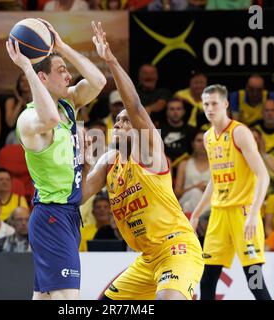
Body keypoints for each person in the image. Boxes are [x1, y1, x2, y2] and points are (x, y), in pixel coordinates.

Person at [83, 22, 204, 300]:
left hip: (176, 248)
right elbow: (77, 197)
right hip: (147, 259)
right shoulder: (109, 163)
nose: (123, 121)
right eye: (118, 120)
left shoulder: (149, 150)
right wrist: (86, 162)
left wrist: (111, 61)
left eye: (128, 120)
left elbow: (135, 106)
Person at [6, 18, 106, 300]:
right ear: (42, 79)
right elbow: (48, 118)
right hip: (52, 216)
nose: (69, 76)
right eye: (62, 71)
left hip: (67, 216)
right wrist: (27, 66)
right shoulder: (28, 119)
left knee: (46, 298)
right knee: (68, 302)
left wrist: (61, 46)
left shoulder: (68, 104)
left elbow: (98, 81)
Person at [190, 84, 272, 300]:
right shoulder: (208, 137)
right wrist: (197, 213)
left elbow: (264, 175)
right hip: (219, 215)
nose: (209, 108)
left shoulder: (240, 132)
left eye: (214, 103)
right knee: (207, 280)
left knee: (254, 280)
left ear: (225, 104)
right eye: (206, 104)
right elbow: (214, 180)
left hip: (244, 213)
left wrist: (254, 214)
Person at [174, 130, 210, 213]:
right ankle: (201, 220)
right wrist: (195, 187)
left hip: (209, 200)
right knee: (195, 193)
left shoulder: (216, 164)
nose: (202, 144)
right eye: (198, 140)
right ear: (193, 144)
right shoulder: (184, 164)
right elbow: (177, 194)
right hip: (187, 199)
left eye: (205, 140)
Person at [160, 98, 196, 169]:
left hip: (187, 168)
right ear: (167, 112)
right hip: (165, 167)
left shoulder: (191, 130)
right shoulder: (159, 130)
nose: (175, 112)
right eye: (172, 109)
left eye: (178, 109)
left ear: (183, 111)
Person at [250, 127, 274, 195]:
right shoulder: (237, 157)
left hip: (266, 198)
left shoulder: (266, 158)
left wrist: (264, 154)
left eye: (255, 139)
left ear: (261, 141)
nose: (252, 141)